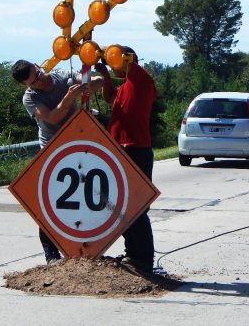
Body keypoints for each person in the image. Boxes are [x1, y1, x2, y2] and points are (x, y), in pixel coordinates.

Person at [11, 59, 104, 264]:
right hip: (52, 150)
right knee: (50, 204)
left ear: (38, 66)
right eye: (34, 81)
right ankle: (51, 255)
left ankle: (89, 250)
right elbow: (52, 117)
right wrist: (70, 96)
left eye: (39, 73)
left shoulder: (63, 75)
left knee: (87, 197)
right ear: (25, 85)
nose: (40, 80)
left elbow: (92, 82)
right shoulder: (30, 98)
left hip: (77, 145)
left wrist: (92, 82)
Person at [95, 46, 157, 274]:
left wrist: (104, 51)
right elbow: (109, 97)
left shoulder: (141, 81)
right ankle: (133, 253)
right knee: (122, 206)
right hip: (121, 150)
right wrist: (104, 76)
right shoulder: (124, 87)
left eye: (114, 61)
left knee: (137, 207)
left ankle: (143, 258)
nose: (113, 66)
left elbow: (126, 63)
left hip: (136, 150)